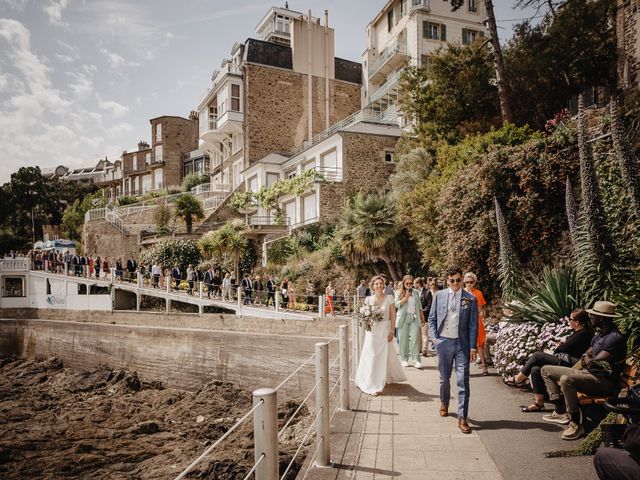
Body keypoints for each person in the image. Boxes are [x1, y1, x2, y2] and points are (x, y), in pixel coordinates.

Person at [541, 301, 627, 440]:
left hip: (605, 382)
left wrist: (588, 359)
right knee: (546, 370)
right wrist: (586, 359)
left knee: (566, 379)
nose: (590, 317)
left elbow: (594, 363)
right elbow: (586, 357)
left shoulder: (614, 338)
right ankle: (561, 411)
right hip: (589, 375)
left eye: (593, 315)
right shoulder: (599, 335)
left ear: (602, 318)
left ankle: (575, 423)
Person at [505, 309, 592, 413]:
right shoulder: (580, 332)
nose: (569, 321)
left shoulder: (582, 334)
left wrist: (560, 345)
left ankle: (518, 379)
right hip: (568, 361)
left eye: (570, 319)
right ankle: (539, 403)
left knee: (537, 356)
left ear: (577, 322)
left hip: (573, 364)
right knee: (535, 369)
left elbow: (562, 348)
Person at [428, 266, 478, 434]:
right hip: (444, 342)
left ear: (462, 279)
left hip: (462, 345)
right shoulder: (439, 296)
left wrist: (472, 347)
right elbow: (432, 319)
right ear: (447, 281)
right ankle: (444, 402)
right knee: (444, 378)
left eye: (458, 280)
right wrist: (435, 339)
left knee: (463, 380)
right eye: (452, 280)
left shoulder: (470, 299)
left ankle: (462, 417)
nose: (455, 283)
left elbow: (473, 325)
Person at [355, 275, 407, 396]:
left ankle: (382, 380)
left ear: (383, 285)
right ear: (372, 286)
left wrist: (392, 331)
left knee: (383, 356)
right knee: (372, 355)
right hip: (372, 332)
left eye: (381, 283)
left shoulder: (390, 298)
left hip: (385, 330)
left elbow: (393, 316)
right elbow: (364, 317)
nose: (379, 285)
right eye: (376, 284)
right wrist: (367, 318)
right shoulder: (368, 300)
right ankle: (371, 383)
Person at [395, 275, 424, 368]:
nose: (409, 285)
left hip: (414, 317)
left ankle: (416, 360)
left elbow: (419, 306)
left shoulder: (416, 292)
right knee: (403, 339)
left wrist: (422, 316)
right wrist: (406, 297)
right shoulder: (398, 292)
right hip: (403, 318)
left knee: (415, 338)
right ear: (403, 284)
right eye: (407, 283)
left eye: (411, 283)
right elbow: (397, 305)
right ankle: (404, 359)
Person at [463, 272, 489, 375]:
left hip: (475, 321)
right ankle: (466, 368)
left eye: (471, 282)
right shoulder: (462, 293)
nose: (469, 284)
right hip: (464, 322)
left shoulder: (478, 293)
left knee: (479, 345)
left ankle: (484, 366)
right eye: (467, 282)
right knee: (465, 345)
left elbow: (480, 310)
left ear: (474, 282)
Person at [414, 277, 431, 356]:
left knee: (424, 333)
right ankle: (419, 348)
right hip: (416, 317)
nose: (413, 285)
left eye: (414, 283)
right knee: (418, 333)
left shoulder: (427, 292)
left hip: (425, 316)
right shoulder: (414, 292)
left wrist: (421, 311)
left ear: (418, 283)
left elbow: (429, 305)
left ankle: (425, 350)